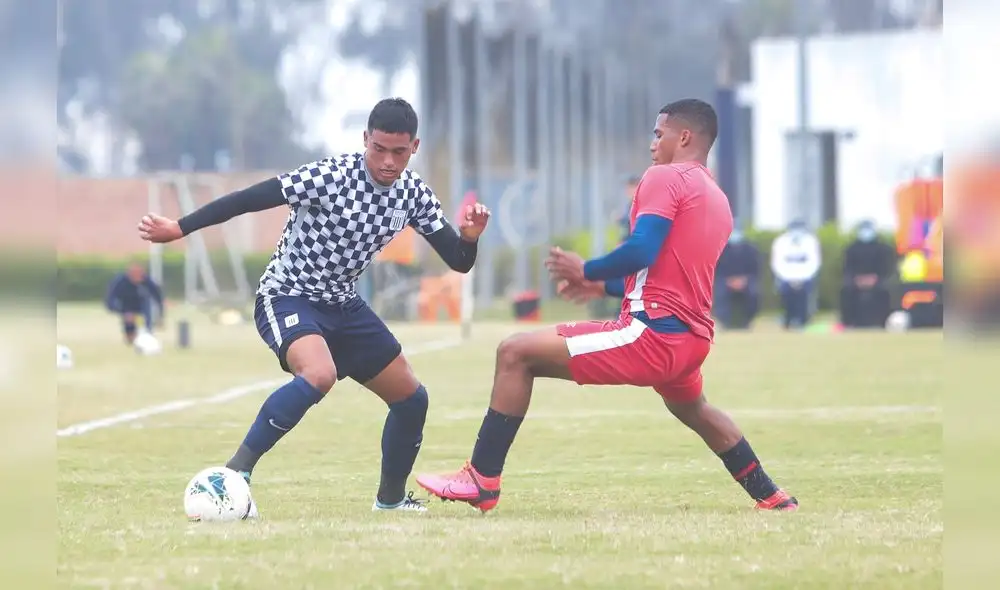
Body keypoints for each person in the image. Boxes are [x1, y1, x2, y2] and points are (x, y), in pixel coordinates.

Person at [416, 99, 797, 513]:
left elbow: (642, 249)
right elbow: (670, 274)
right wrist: (605, 287)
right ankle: (772, 496)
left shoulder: (664, 177)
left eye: (659, 133)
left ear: (684, 137)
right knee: (696, 409)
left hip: (652, 334)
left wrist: (588, 270)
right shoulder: (717, 198)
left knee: (515, 353)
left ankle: (481, 479)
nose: (653, 143)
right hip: (691, 339)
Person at [137, 98, 491, 514]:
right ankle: (236, 474)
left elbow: (458, 261)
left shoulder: (413, 194)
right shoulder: (330, 176)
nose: (388, 161)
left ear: (414, 147)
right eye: (378, 148)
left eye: (399, 152)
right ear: (365, 140)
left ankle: (391, 502)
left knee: (412, 398)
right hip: (288, 294)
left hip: (344, 305)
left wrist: (469, 237)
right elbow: (250, 198)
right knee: (319, 374)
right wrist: (180, 227)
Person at [839, 220, 895, 328]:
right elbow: (847, 268)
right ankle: (848, 322)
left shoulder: (883, 248)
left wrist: (875, 279)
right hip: (856, 280)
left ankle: (883, 321)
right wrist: (857, 279)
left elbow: (887, 268)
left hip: (878, 280)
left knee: (886, 289)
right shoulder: (851, 249)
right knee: (846, 289)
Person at [770, 220, 821, 330]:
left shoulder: (811, 241)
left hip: (806, 278)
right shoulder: (781, 242)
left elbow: (814, 263)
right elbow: (777, 263)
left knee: (804, 295)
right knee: (787, 295)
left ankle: (803, 320)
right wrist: (790, 279)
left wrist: (801, 279)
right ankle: (788, 319)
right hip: (785, 279)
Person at [104, 261, 164, 344]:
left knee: (146, 321)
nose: (138, 277)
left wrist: (160, 317)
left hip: (142, 304)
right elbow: (110, 299)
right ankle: (130, 337)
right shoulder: (119, 282)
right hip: (126, 304)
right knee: (129, 324)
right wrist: (120, 311)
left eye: (140, 274)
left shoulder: (148, 281)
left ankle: (147, 336)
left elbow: (158, 298)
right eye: (135, 274)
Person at [715, 229, 761, 330]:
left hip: (746, 280)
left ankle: (747, 321)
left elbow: (755, 269)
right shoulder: (721, 248)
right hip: (725, 279)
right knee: (720, 292)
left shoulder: (750, 249)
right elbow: (717, 269)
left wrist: (744, 280)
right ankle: (724, 322)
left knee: (753, 292)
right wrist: (729, 281)